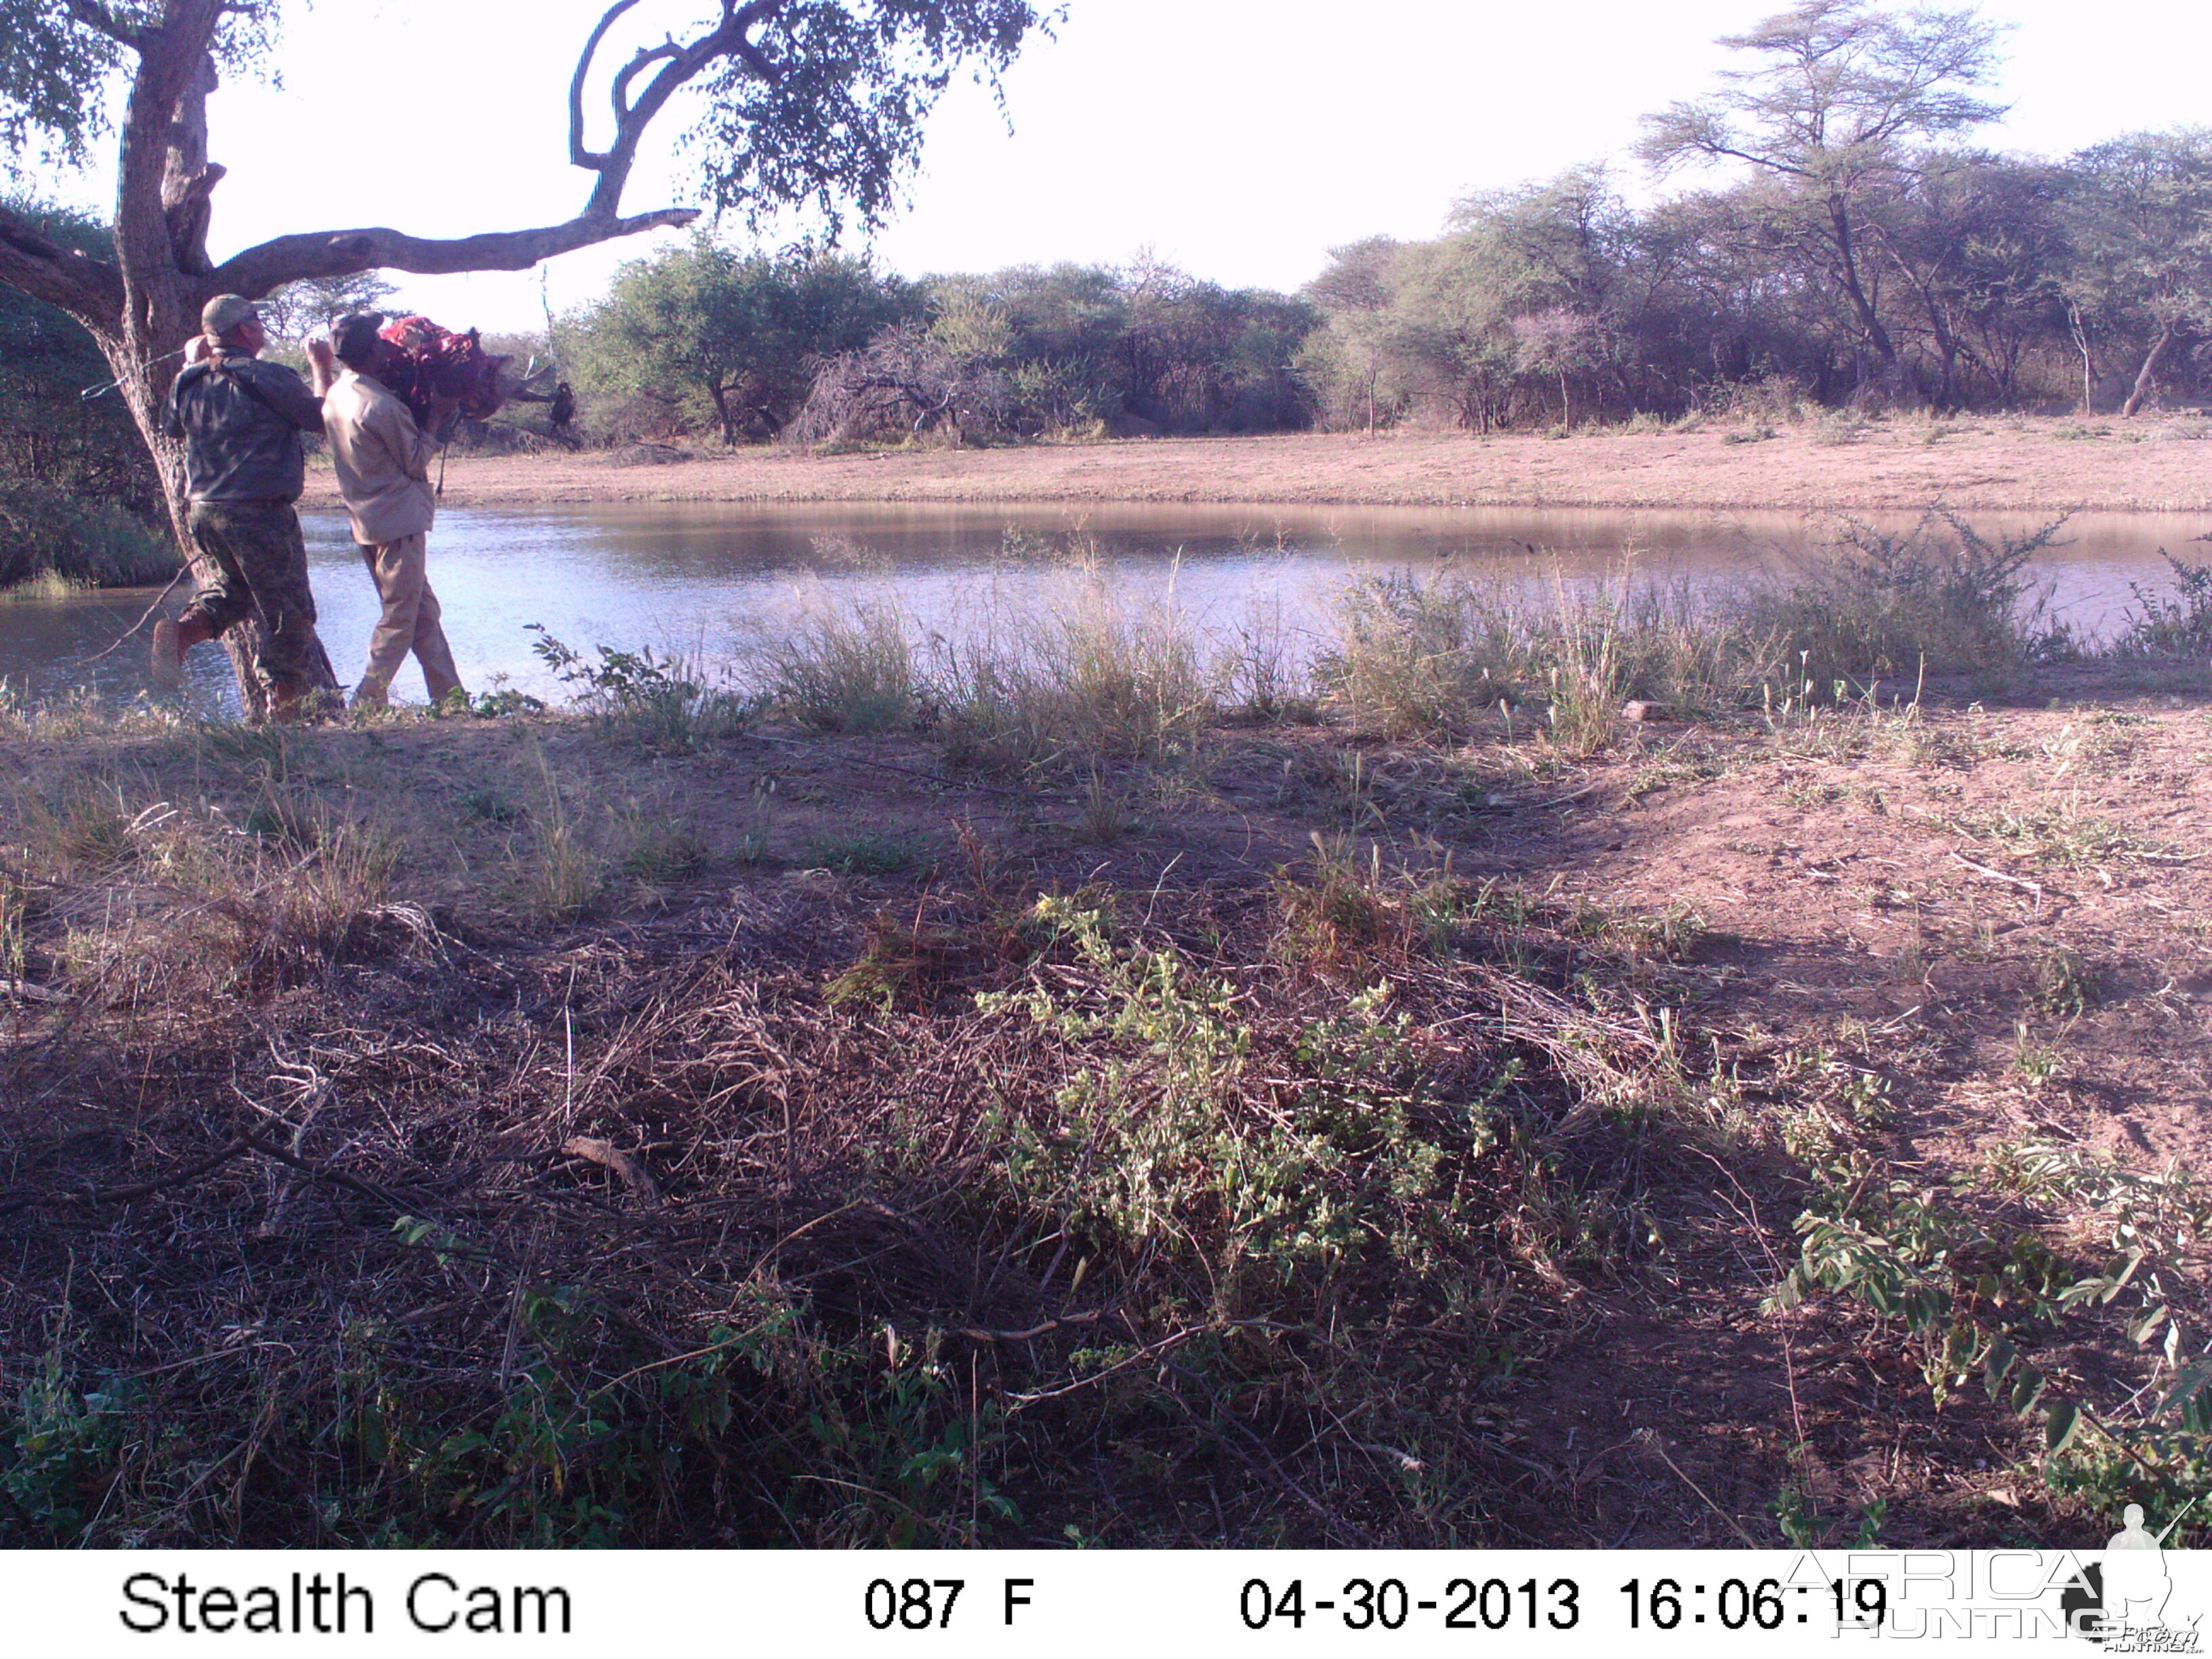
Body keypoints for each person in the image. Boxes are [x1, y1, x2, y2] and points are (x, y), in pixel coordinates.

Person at [152, 294, 330, 717]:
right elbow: (322, 418)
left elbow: (170, 426)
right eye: (256, 320)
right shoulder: (268, 376)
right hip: (259, 513)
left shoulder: (188, 380)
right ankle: (283, 710)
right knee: (288, 611)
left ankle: (183, 633)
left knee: (241, 590)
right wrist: (321, 366)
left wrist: (188, 366)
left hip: (204, 511)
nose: (261, 326)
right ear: (245, 331)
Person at [308, 313, 466, 710]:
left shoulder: (337, 396)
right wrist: (436, 418)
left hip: (368, 522)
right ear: (374, 350)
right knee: (399, 619)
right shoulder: (379, 405)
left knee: (423, 614)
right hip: (399, 524)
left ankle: (452, 701)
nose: (386, 345)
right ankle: (366, 702)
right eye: (380, 341)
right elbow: (415, 461)